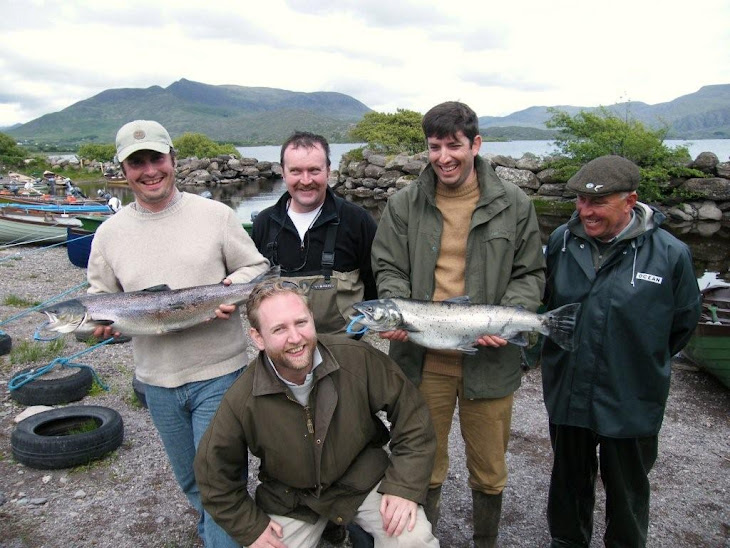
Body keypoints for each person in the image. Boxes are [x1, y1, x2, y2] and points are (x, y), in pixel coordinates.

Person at [87, 119, 270, 548]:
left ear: (173, 160)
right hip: (156, 382)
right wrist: (102, 331)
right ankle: (216, 531)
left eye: (156, 158)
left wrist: (230, 289)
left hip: (220, 374)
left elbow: (256, 268)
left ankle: (221, 536)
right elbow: (100, 300)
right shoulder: (108, 234)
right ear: (124, 170)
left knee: (219, 485)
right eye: (137, 163)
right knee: (191, 482)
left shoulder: (216, 215)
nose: (149, 170)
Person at [370, 101, 545, 547]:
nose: (443, 156)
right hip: (421, 362)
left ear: (476, 144)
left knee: (489, 468)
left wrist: (505, 322)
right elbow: (388, 267)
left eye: (454, 145)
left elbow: (530, 274)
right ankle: (423, 539)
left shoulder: (515, 204)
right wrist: (394, 311)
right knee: (423, 464)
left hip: (490, 362)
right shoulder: (403, 204)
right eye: (434, 146)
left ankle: (485, 541)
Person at [193, 281, 439, 547]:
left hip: (363, 480)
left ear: (312, 318)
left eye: (301, 322)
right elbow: (212, 474)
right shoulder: (241, 399)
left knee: (414, 540)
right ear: (258, 338)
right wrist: (250, 527)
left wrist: (404, 487)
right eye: (279, 329)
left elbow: (413, 416)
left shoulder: (356, 358)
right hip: (292, 498)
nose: (295, 338)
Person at [540, 155, 702, 547]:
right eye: (579, 200)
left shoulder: (670, 253)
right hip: (569, 389)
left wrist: (640, 362)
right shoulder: (561, 241)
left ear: (630, 201)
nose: (585, 211)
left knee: (628, 491)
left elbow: (681, 325)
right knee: (568, 484)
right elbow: (545, 305)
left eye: (597, 203)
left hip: (632, 396)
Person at [251, 131, 377, 335]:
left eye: (314, 170)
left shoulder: (358, 221)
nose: (306, 180)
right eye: (296, 171)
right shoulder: (263, 224)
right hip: (284, 350)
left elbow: (374, 284)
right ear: (283, 172)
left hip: (345, 346)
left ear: (328, 171)